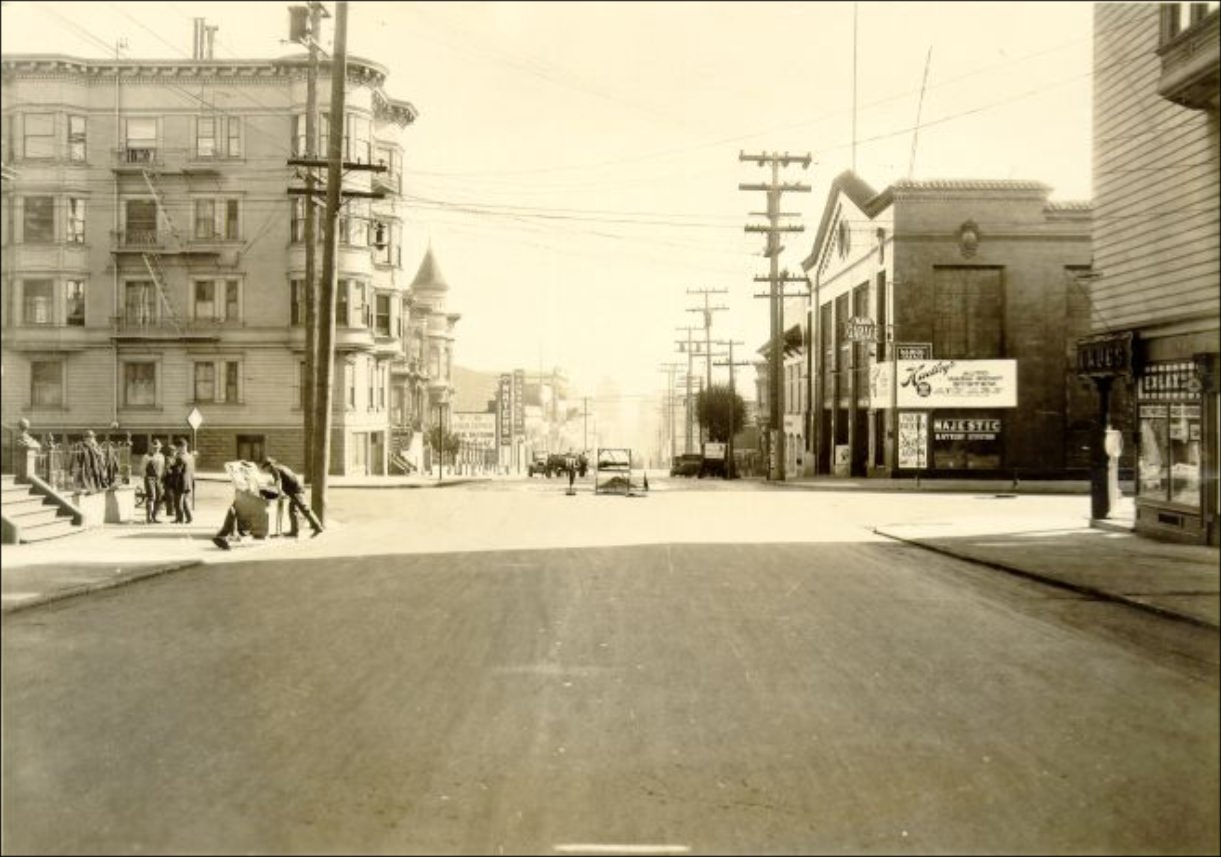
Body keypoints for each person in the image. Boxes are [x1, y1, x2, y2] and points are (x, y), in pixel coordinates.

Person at [260, 457, 323, 537]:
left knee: (304, 509)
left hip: (295, 491)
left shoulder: (274, 469)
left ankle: (318, 527)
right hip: (295, 490)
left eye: (265, 468)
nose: (266, 471)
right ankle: (294, 532)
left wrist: (279, 494)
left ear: (269, 466)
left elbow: (278, 481)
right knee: (292, 510)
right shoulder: (281, 467)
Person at [171, 438, 195, 524]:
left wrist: (172, 463)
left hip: (180, 482)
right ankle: (189, 518)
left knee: (178, 501)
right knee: (185, 501)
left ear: (180, 447)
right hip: (188, 482)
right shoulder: (190, 457)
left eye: (177, 447)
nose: (177, 449)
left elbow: (177, 471)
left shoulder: (179, 458)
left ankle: (179, 519)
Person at [143, 439, 166, 523]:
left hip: (159, 479)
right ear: (151, 447)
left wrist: (162, 479)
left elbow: (162, 468)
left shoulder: (161, 456)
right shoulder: (147, 456)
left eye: (157, 447)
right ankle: (148, 518)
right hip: (150, 478)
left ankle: (154, 516)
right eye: (154, 447)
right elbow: (143, 469)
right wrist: (145, 478)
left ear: (160, 448)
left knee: (159, 497)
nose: (156, 449)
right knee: (151, 497)